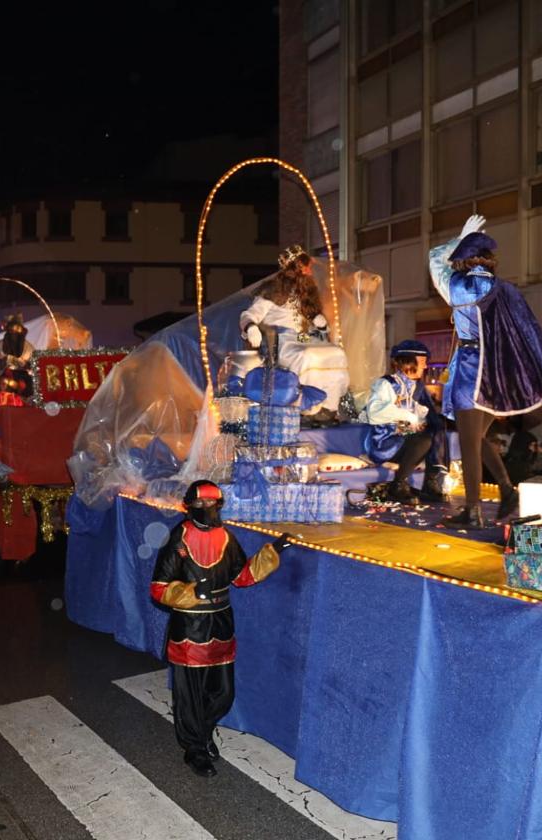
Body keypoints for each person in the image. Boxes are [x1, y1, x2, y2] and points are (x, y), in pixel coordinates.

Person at [429, 214, 542, 529]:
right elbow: (526, 331)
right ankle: (505, 489)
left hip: (469, 367)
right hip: (497, 371)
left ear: (463, 257)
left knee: (467, 441)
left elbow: (434, 258)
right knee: (477, 436)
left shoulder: (458, 285)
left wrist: (456, 238)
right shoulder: (505, 289)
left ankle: (473, 510)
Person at [149, 481, 291, 777]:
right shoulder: (179, 539)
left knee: (223, 693)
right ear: (188, 507)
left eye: (214, 503)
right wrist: (193, 593)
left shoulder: (226, 537)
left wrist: (272, 552)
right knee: (189, 695)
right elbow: (159, 589)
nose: (208, 509)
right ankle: (195, 749)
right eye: (201, 505)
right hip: (188, 627)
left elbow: (241, 576)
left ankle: (202, 733)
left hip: (221, 625)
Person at [239, 245, 350, 423]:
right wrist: (251, 326)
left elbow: (310, 319)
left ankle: (328, 406)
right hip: (282, 339)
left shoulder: (305, 293)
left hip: (303, 337)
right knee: (307, 356)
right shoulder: (271, 291)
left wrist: (319, 322)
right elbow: (249, 314)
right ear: (294, 268)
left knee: (336, 352)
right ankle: (306, 407)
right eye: (304, 266)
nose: (308, 270)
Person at [358, 340, 450, 503]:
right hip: (384, 443)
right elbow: (374, 412)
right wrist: (409, 417)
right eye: (422, 362)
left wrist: (420, 420)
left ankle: (429, 482)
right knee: (424, 440)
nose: (426, 366)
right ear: (409, 361)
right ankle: (398, 485)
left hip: (404, 443)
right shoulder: (387, 384)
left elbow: (421, 412)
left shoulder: (416, 387)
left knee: (434, 431)